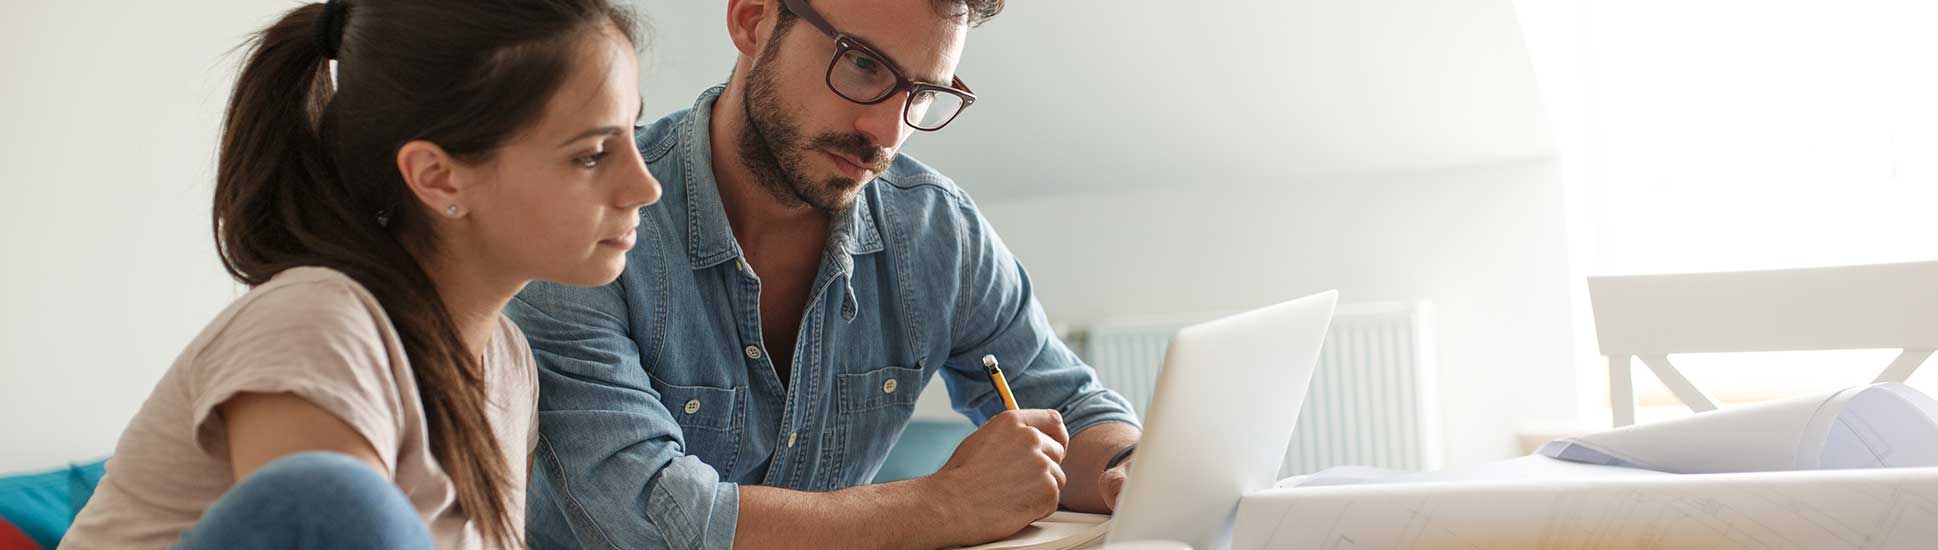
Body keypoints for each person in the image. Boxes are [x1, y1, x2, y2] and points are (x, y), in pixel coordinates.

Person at [505, 0, 1143, 548]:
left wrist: (1132, 469)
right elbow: (645, 515)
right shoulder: (592, 219)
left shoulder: (935, 230)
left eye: (922, 94)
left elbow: (1073, 406)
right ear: (753, 20)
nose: (885, 132)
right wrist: (945, 506)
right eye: (863, 64)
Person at [63, 0, 659, 547]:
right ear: (438, 176)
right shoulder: (316, 323)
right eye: (591, 154)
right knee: (333, 497)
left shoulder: (508, 364)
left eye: (633, 133)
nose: (645, 186)